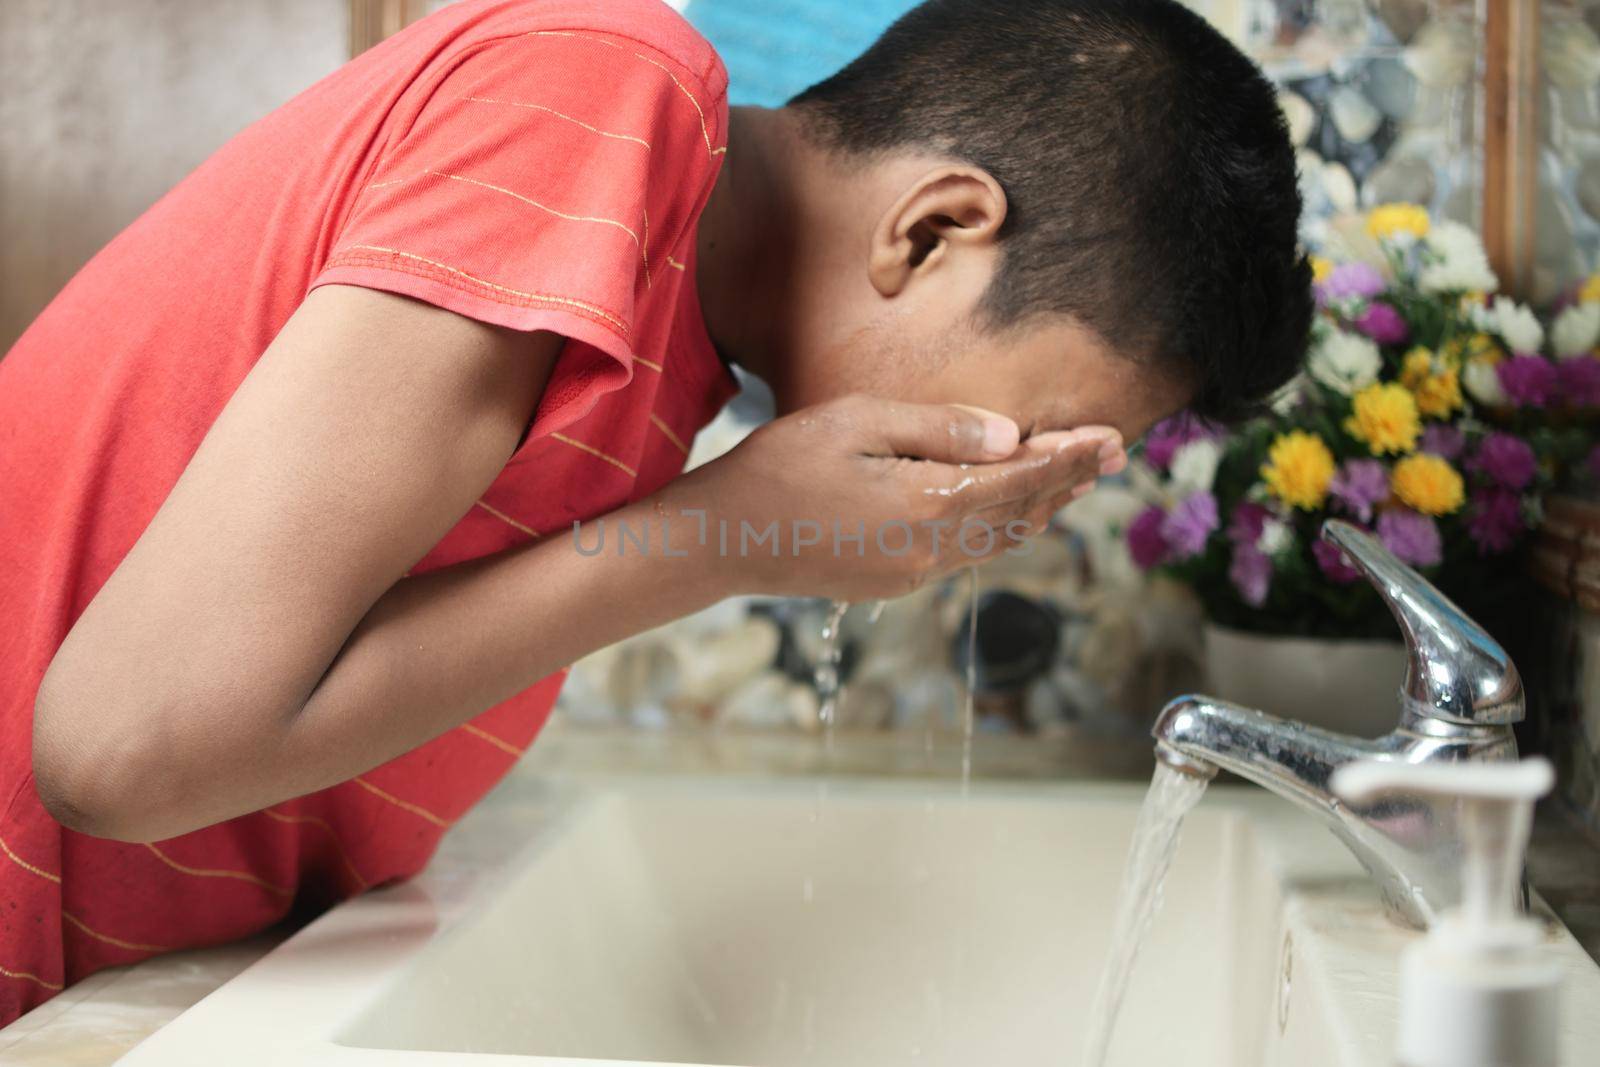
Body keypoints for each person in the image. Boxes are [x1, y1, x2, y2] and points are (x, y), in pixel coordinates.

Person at [0, 0, 1311, 1025]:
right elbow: (121, 753)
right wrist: (721, 537)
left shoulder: (668, 339)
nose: (1029, 479)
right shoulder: (604, 86)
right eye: (1043, 430)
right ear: (930, 233)